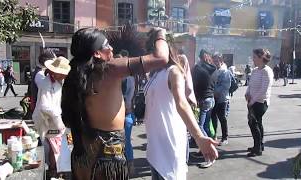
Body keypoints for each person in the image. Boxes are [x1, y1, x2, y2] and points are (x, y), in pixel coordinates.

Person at [61, 27, 171, 180]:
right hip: (107, 163)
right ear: (97, 53)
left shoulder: (74, 74)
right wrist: (160, 34)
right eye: (107, 45)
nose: (111, 48)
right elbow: (161, 58)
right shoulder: (110, 69)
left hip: (83, 158)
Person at [143, 42, 218, 179]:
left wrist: (199, 137)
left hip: (170, 144)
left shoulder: (173, 71)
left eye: (155, 50)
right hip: (155, 146)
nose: (151, 55)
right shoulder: (155, 74)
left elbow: (182, 104)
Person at [32, 56, 71, 173]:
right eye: (63, 73)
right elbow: (45, 106)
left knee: (55, 148)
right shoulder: (46, 84)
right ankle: (53, 172)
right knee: (54, 149)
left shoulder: (57, 82)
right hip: (47, 122)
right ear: (55, 72)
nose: (65, 75)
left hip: (52, 121)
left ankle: (55, 170)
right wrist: (59, 123)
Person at [245, 48, 274, 157]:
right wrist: (247, 93)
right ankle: (259, 145)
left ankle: (257, 149)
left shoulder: (267, 71)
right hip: (252, 101)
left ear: (262, 58)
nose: (253, 59)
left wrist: (252, 101)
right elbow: (250, 84)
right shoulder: (255, 70)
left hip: (261, 102)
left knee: (253, 123)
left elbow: (264, 89)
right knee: (258, 123)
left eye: (255, 57)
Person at [211, 52, 231, 146]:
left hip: (222, 99)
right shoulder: (215, 70)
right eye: (214, 60)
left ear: (221, 60)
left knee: (222, 118)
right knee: (213, 117)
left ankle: (225, 137)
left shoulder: (225, 71)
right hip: (214, 98)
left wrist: (215, 92)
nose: (215, 62)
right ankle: (214, 136)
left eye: (217, 60)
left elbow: (226, 86)